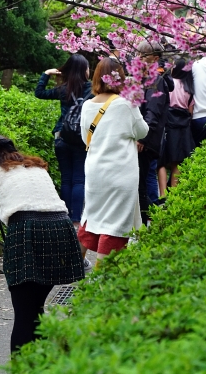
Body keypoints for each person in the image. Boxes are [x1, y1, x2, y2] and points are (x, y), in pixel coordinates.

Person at [0, 135, 84, 353]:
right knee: (35, 307)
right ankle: (40, 363)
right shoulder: (36, 167)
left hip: (26, 230)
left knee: (24, 313)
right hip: (61, 228)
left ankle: (23, 373)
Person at [78, 58, 149, 266]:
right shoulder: (126, 103)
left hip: (95, 172)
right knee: (114, 225)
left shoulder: (86, 105)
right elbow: (142, 130)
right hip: (120, 172)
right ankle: (100, 282)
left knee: (92, 216)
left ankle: (72, 268)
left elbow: (86, 139)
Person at [34, 54, 92, 232]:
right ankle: (76, 220)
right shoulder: (91, 89)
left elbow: (39, 93)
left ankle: (64, 216)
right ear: (84, 71)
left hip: (62, 136)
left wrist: (46, 74)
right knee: (79, 179)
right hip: (82, 137)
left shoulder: (63, 89)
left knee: (66, 178)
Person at [136, 41, 174, 224]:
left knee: (141, 184)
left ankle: (157, 221)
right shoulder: (146, 78)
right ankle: (148, 222)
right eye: (138, 54)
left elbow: (153, 112)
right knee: (139, 183)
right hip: (143, 137)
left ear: (156, 59)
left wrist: (142, 138)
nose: (140, 58)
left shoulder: (156, 81)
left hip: (146, 140)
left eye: (144, 56)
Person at [163, 57, 196, 188]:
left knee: (163, 161)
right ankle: (175, 194)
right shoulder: (189, 87)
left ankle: (162, 195)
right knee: (178, 162)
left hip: (168, 124)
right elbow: (191, 111)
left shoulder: (168, 83)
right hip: (183, 126)